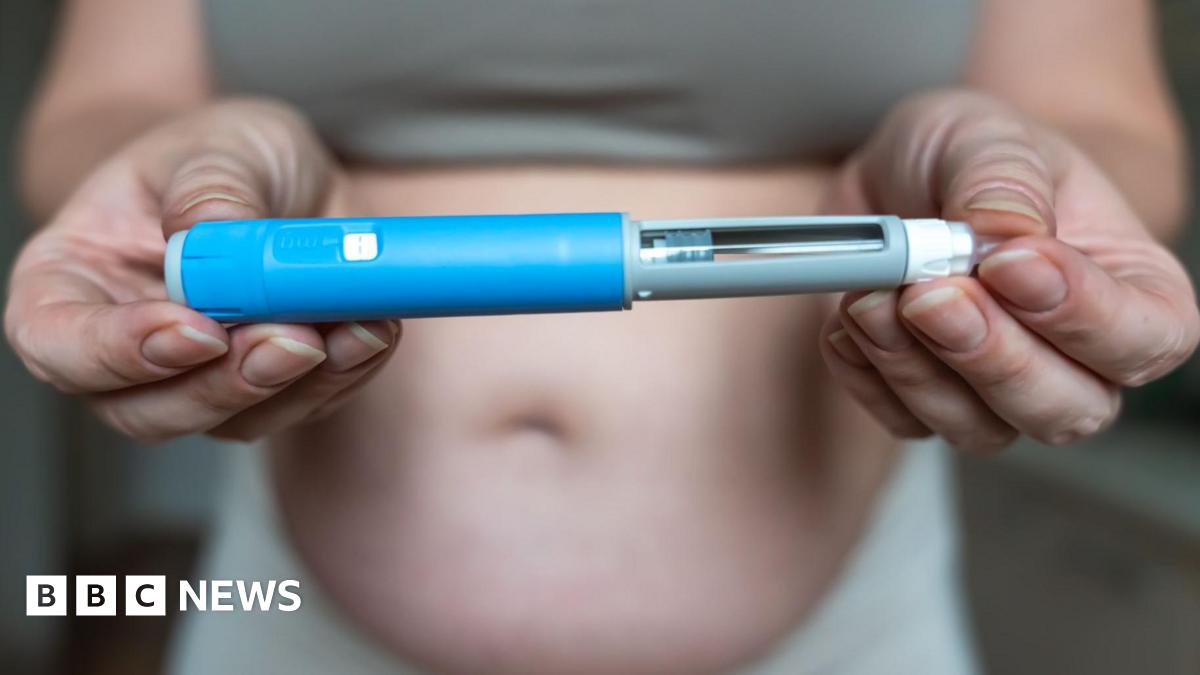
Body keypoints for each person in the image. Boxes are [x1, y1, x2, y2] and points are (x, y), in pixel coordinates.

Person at [6, 0, 1198, 673]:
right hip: (290, 612)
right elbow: (106, 99)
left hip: (849, 630)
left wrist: (1021, 180)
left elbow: (1108, 121)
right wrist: (185, 158)